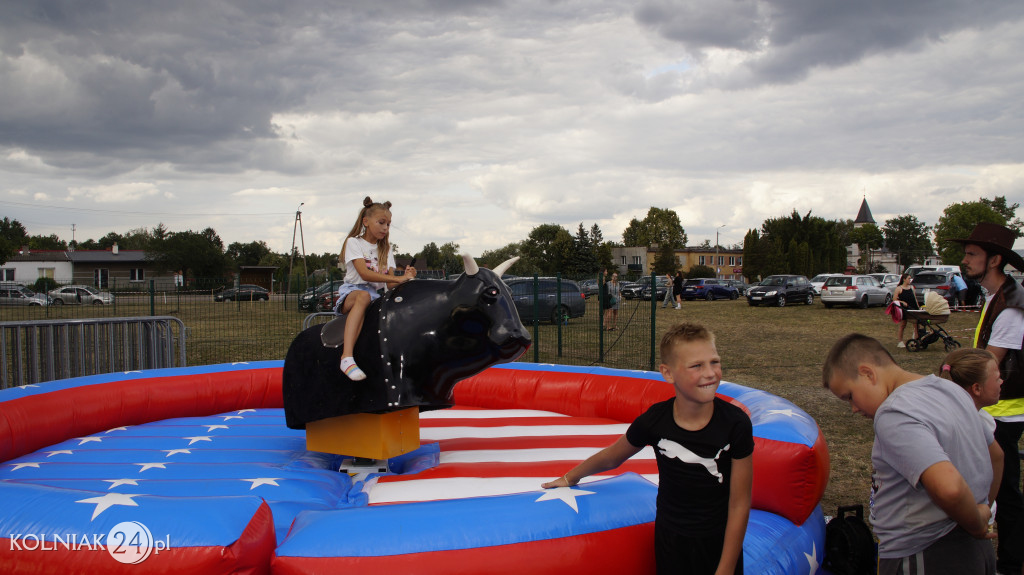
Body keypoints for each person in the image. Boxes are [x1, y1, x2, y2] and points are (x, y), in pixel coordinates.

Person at [542, 323, 753, 575]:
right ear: (668, 373)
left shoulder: (735, 424)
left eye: (714, 362)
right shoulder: (656, 420)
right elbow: (613, 456)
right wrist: (570, 477)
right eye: (696, 366)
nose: (710, 373)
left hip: (717, 542)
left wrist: (726, 567)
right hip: (670, 540)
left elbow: (739, 503)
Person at [823, 333, 996, 574]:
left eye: (850, 396)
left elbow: (949, 487)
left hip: (925, 553)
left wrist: (976, 522)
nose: (853, 408)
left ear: (867, 373)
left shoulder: (894, 413)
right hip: (971, 549)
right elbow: (995, 455)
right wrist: (981, 507)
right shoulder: (950, 390)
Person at [952, 221, 1024, 575]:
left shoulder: (1010, 305)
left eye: (971, 254)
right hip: (996, 409)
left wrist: (949, 375)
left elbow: (988, 362)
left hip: (1006, 413)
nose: (964, 260)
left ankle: (1010, 564)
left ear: (994, 260)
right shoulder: (997, 296)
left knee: (1007, 492)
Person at [335, 196, 416, 381]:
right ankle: (346, 357)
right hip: (353, 291)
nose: (385, 228)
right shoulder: (354, 243)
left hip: (375, 297)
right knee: (363, 296)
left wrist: (407, 278)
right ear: (366, 221)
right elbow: (364, 274)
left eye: (388, 224)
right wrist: (398, 277)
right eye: (381, 223)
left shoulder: (386, 250)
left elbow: (389, 284)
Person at [939, 348, 1005, 505]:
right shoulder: (968, 428)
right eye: (997, 378)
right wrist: (983, 511)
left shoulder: (982, 418)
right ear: (976, 388)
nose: (1001, 381)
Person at [893, 272, 920, 347]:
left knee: (916, 324)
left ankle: (915, 339)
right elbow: (894, 300)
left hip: (913, 308)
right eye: (908, 278)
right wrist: (902, 302)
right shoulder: (899, 289)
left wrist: (918, 307)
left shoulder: (911, 288)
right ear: (904, 279)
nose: (910, 280)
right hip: (904, 309)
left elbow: (915, 298)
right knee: (903, 325)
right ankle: (900, 341)